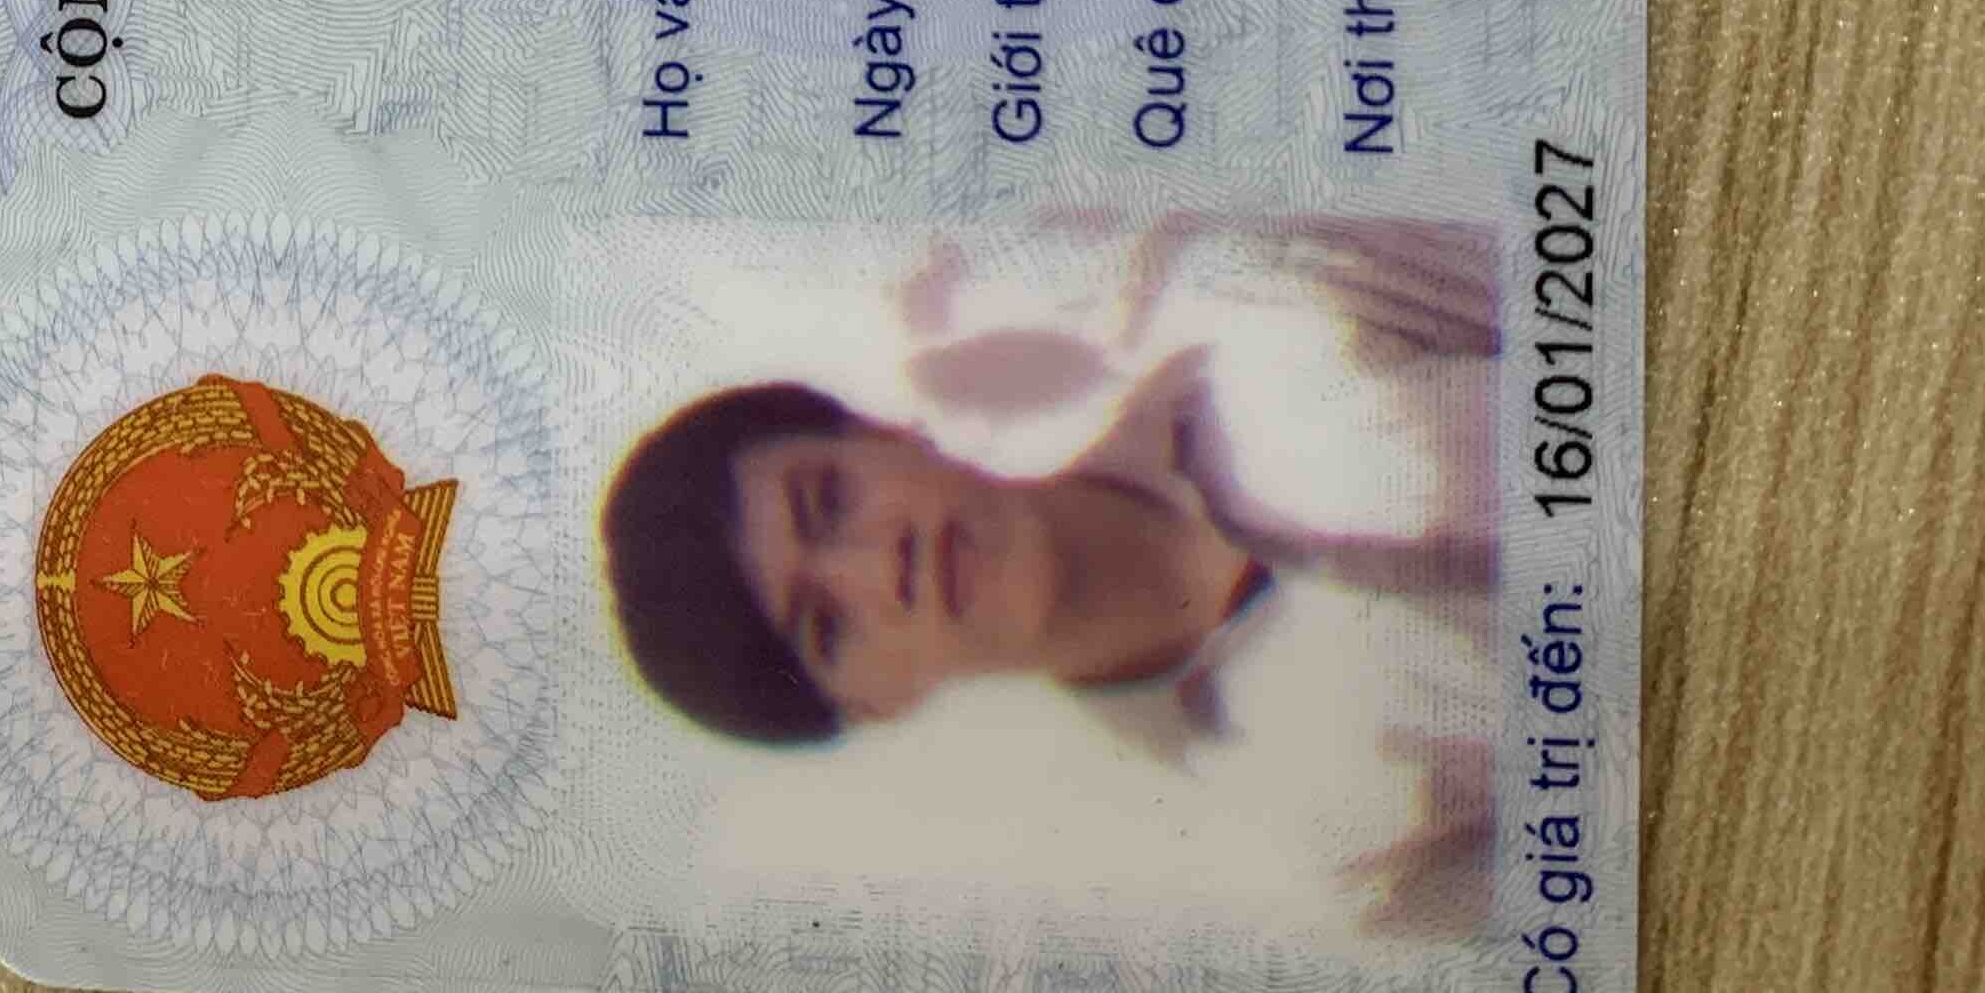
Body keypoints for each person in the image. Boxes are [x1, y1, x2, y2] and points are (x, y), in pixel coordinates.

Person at [602, 217, 1503, 933]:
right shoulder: (1322, 838)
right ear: (877, 703)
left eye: (830, 501)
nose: (883, 563)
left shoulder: (1269, 308)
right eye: (828, 625)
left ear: (884, 432)